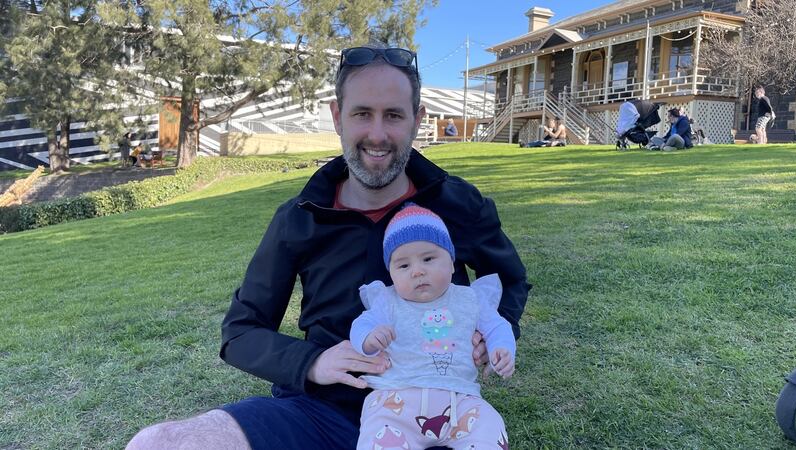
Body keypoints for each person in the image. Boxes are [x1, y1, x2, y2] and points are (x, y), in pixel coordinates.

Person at [126, 44, 530, 450]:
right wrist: (313, 363)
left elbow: (511, 280)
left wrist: (495, 332)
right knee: (160, 442)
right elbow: (240, 332)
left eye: (393, 115)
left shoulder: (458, 204)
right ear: (338, 117)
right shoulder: (299, 217)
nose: (377, 134)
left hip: (434, 414)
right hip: (317, 413)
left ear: (416, 120)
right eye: (361, 114)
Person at [352, 203, 515, 449]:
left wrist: (501, 347)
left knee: (489, 425)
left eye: (428, 259)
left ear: (451, 263)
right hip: (396, 401)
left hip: (461, 402)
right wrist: (368, 338)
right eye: (404, 265)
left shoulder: (470, 299)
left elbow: (497, 327)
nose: (417, 271)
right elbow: (360, 324)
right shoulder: (387, 301)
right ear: (391, 273)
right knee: (380, 435)